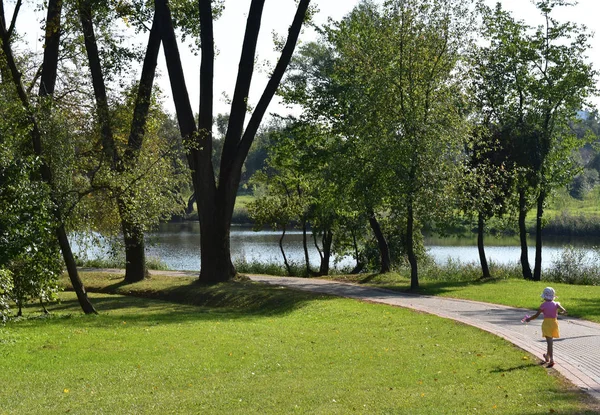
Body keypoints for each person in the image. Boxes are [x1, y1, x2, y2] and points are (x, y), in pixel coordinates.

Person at [525, 287, 567, 368]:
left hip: (547, 324)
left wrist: (529, 319)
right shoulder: (556, 304)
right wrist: (561, 312)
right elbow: (564, 311)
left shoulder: (543, 305)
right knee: (550, 342)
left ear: (544, 296)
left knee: (549, 342)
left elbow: (536, 315)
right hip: (554, 323)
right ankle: (547, 356)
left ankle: (552, 359)